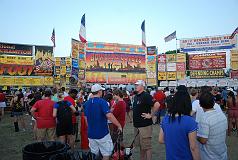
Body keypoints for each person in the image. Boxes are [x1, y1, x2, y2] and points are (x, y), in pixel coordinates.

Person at [159, 87, 200, 160]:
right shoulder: (190, 121)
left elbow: (161, 140)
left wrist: (173, 142)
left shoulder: (165, 119)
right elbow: (193, 147)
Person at [83, 84, 122, 160]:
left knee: (94, 154)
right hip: (102, 133)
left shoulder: (86, 103)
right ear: (99, 91)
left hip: (91, 133)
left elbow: (86, 118)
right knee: (106, 154)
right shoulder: (102, 102)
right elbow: (109, 115)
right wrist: (119, 125)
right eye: (102, 91)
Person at [197, 92, 227, 160]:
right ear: (214, 103)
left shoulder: (204, 118)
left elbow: (203, 140)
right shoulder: (222, 115)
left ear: (200, 104)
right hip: (222, 153)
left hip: (210, 156)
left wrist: (196, 134)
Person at [133, 80, 156, 160]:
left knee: (147, 146)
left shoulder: (146, 95)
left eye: (137, 85)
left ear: (142, 86)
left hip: (145, 126)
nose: (135, 86)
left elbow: (157, 104)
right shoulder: (136, 96)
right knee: (141, 146)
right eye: (135, 85)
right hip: (137, 126)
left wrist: (151, 115)